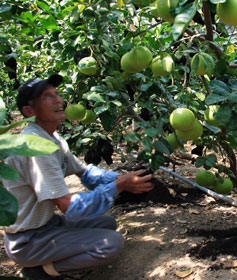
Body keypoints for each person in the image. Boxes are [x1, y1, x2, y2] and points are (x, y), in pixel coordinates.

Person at [1, 74, 154, 279]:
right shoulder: (34, 147)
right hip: (28, 240)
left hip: (48, 226)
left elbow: (85, 172)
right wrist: (118, 186)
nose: (58, 100)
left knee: (107, 223)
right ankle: (42, 270)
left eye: (57, 94)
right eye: (47, 96)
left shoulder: (52, 138)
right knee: (111, 244)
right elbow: (69, 206)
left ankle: (49, 259)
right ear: (29, 111)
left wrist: (122, 179)